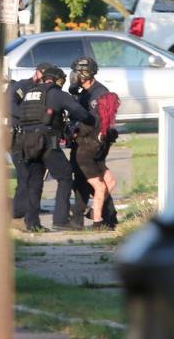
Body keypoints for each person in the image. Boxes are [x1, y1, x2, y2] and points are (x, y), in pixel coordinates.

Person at [18, 66, 94, 231]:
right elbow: (81, 113)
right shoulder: (57, 93)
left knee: (34, 181)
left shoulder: (30, 93)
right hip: (46, 141)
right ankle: (61, 220)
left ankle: (32, 223)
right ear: (59, 80)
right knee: (65, 176)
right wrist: (92, 119)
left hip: (25, 141)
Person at [68, 57, 120, 230]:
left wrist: (77, 131)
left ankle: (96, 218)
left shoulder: (98, 94)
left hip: (89, 147)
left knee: (91, 185)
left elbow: (96, 123)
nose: (73, 76)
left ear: (85, 74)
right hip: (89, 146)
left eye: (76, 72)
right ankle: (106, 217)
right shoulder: (83, 93)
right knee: (100, 183)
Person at [8, 62, 52, 230]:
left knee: (33, 176)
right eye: (44, 74)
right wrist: (28, 117)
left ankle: (26, 210)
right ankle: (18, 212)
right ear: (37, 72)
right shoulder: (23, 86)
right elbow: (9, 104)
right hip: (18, 136)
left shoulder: (45, 90)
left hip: (35, 137)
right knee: (24, 174)